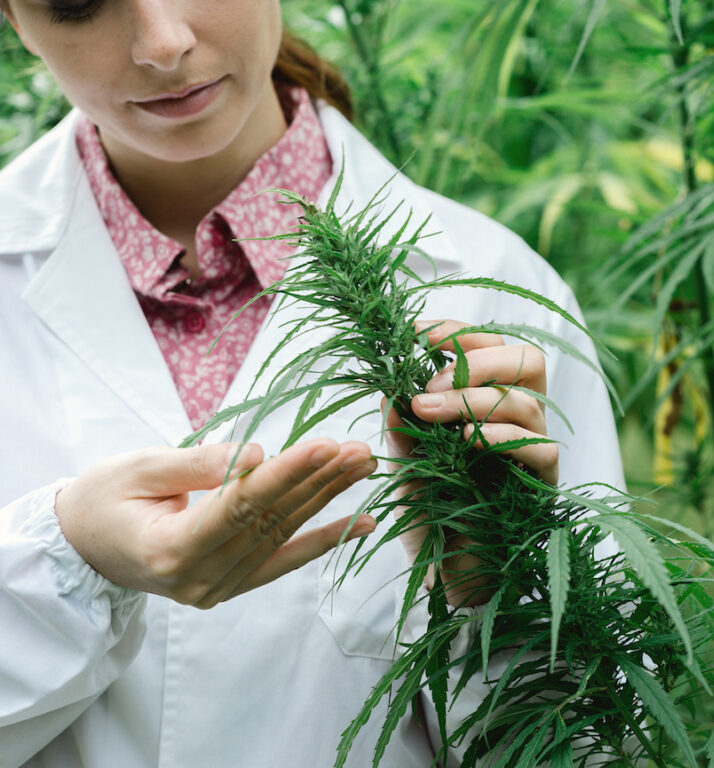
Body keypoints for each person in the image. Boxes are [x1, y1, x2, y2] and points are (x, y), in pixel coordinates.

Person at [0, 1, 624, 765]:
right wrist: (70, 560)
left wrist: (487, 600)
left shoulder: (494, 291)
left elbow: (592, 738)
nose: (163, 44)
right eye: (77, 1)